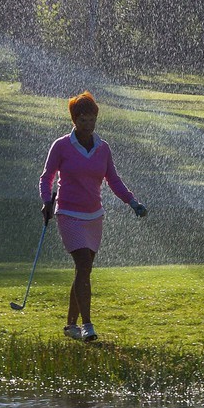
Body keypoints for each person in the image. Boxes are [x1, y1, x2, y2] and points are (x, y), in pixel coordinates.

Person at [40, 91, 146, 341]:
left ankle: (70, 326)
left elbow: (113, 180)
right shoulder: (62, 145)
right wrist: (46, 200)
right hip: (68, 213)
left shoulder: (103, 148)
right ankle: (87, 325)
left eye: (92, 120)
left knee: (83, 272)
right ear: (74, 120)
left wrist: (132, 201)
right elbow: (47, 178)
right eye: (83, 120)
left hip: (94, 216)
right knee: (84, 264)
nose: (88, 125)